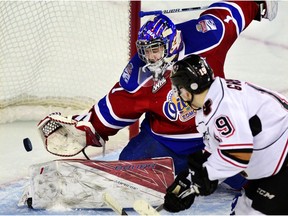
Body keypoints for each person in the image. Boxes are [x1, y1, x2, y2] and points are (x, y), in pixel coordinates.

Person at [38, 1, 278, 191]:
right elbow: (115, 106)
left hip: (216, 134)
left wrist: (255, 3)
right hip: (167, 140)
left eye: (156, 50)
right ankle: (183, 169)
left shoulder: (206, 38)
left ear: (172, 43)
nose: (151, 58)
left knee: (261, 182)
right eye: (146, 51)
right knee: (130, 166)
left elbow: (229, 14)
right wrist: (87, 128)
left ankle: (203, 169)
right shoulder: (139, 74)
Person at [164, 54, 288, 214]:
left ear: (187, 92)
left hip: (282, 164)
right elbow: (220, 150)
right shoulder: (213, 99)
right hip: (273, 165)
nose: (178, 95)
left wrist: (207, 175)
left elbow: (239, 154)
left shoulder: (223, 106)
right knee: (243, 210)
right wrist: (188, 182)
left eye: (178, 90)